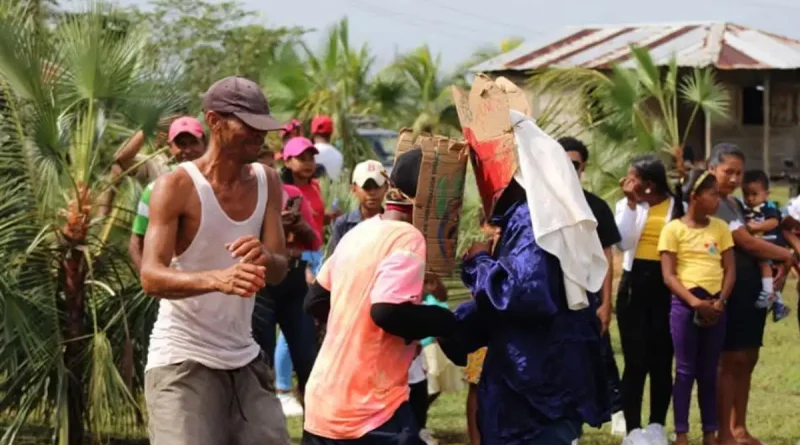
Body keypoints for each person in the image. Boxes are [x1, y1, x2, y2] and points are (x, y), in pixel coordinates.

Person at [440, 113, 610, 445]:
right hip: (546, 379)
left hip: (534, 389)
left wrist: (479, 262)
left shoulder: (531, 218)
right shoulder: (541, 214)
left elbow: (523, 294)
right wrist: (454, 324)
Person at [139, 76, 290, 445]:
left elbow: (279, 270)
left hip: (243, 358)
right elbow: (151, 276)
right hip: (181, 358)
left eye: (263, 126)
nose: (259, 135)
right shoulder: (176, 187)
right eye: (249, 125)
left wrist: (266, 256)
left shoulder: (268, 181)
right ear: (214, 121)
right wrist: (217, 279)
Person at [302, 147, 456, 445]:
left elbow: (315, 301)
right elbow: (386, 311)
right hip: (369, 409)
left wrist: (356, 328)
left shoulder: (358, 233)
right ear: (428, 197)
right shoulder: (408, 237)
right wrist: (443, 320)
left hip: (324, 402)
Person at [707, 143, 794, 445]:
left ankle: (739, 428)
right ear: (712, 169)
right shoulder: (713, 203)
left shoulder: (734, 203)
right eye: (727, 172)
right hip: (729, 287)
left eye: (739, 173)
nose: (734, 179)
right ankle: (723, 433)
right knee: (730, 359)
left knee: (748, 357)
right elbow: (746, 242)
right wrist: (786, 255)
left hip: (751, 287)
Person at [659, 170, 735, 445]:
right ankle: (681, 432)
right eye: (712, 195)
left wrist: (720, 301)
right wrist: (694, 303)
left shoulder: (720, 228)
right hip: (686, 304)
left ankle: (710, 432)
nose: (717, 200)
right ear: (695, 197)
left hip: (715, 305)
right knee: (685, 371)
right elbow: (668, 275)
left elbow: (730, 270)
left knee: (709, 371)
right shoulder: (673, 230)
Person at [560, 136, 626, 438]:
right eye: (562, 162)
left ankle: (618, 411)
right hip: (553, 295)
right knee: (561, 361)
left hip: (588, 294)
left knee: (600, 354)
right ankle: (567, 424)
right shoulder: (541, 205)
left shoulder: (596, 206)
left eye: (574, 164)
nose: (568, 169)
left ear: (583, 167)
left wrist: (605, 302)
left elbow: (607, 256)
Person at [614, 155, 675, 443]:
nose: (627, 181)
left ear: (649, 184)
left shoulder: (677, 207)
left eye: (633, 177)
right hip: (634, 286)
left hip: (667, 286)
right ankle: (633, 429)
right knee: (636, 361)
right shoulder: (627, 206)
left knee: (662, 359)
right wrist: (630, 203)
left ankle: (657, 425)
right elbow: (623, 242)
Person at [129, 116, 207, 270]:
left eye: (193, 142)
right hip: (175, 280)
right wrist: (150, 279)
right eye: (181, 144)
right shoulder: (155, 190)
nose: (188, 150)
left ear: (204, 143)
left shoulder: (221, 184)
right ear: (170, 147)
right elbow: (136, 244)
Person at [740, 169, 791, 320]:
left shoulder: (768, 206)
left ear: (766, 194)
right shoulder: (745, 209)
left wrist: (754, 227)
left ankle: (768, 292)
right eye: (746, 194)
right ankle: (779, 304)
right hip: (761, 242)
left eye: (754, 194)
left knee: (763, 262)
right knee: (767, 269)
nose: (750, 198)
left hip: (771, 241)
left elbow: (773, 222)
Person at [328, 159, 388, 253]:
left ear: (386, 187)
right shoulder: (344, 224)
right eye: (366, 187)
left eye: (377, 186)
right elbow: (335, 258)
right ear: (353, 188)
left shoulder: (393, 223)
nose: (372, 192)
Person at [311, 115, 344, 181]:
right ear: (331, 133)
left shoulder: (309, 152)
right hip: (332, 187)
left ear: (313, 132)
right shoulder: (339, 155)